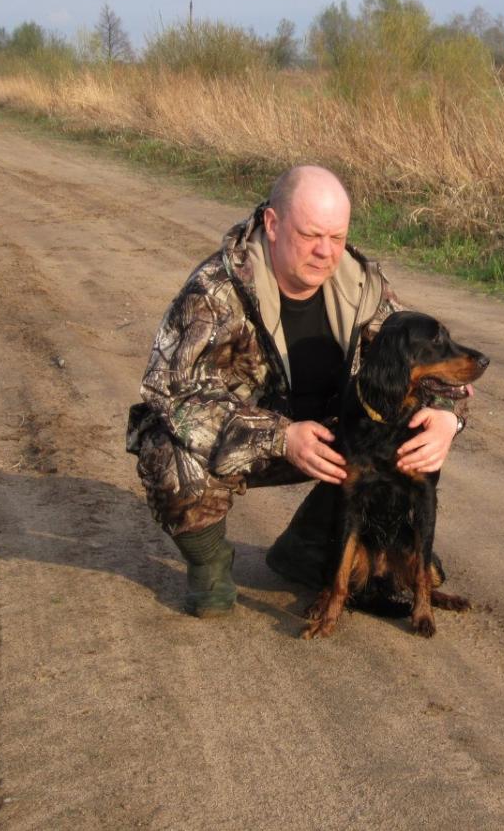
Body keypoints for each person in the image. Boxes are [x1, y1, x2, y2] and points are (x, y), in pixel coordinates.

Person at [126, 166, 467, 617]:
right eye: (310, 235)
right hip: (250, 441)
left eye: (337, 237)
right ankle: (209, 562)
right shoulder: (213, 293)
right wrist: (280, 436)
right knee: (164, 444)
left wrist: (447, 414)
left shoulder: (360, 285)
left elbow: (418, 355)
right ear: (272, 224)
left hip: (329, 436)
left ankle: (309, 545)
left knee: (400, 427)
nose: (326, 252)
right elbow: (170, 391)